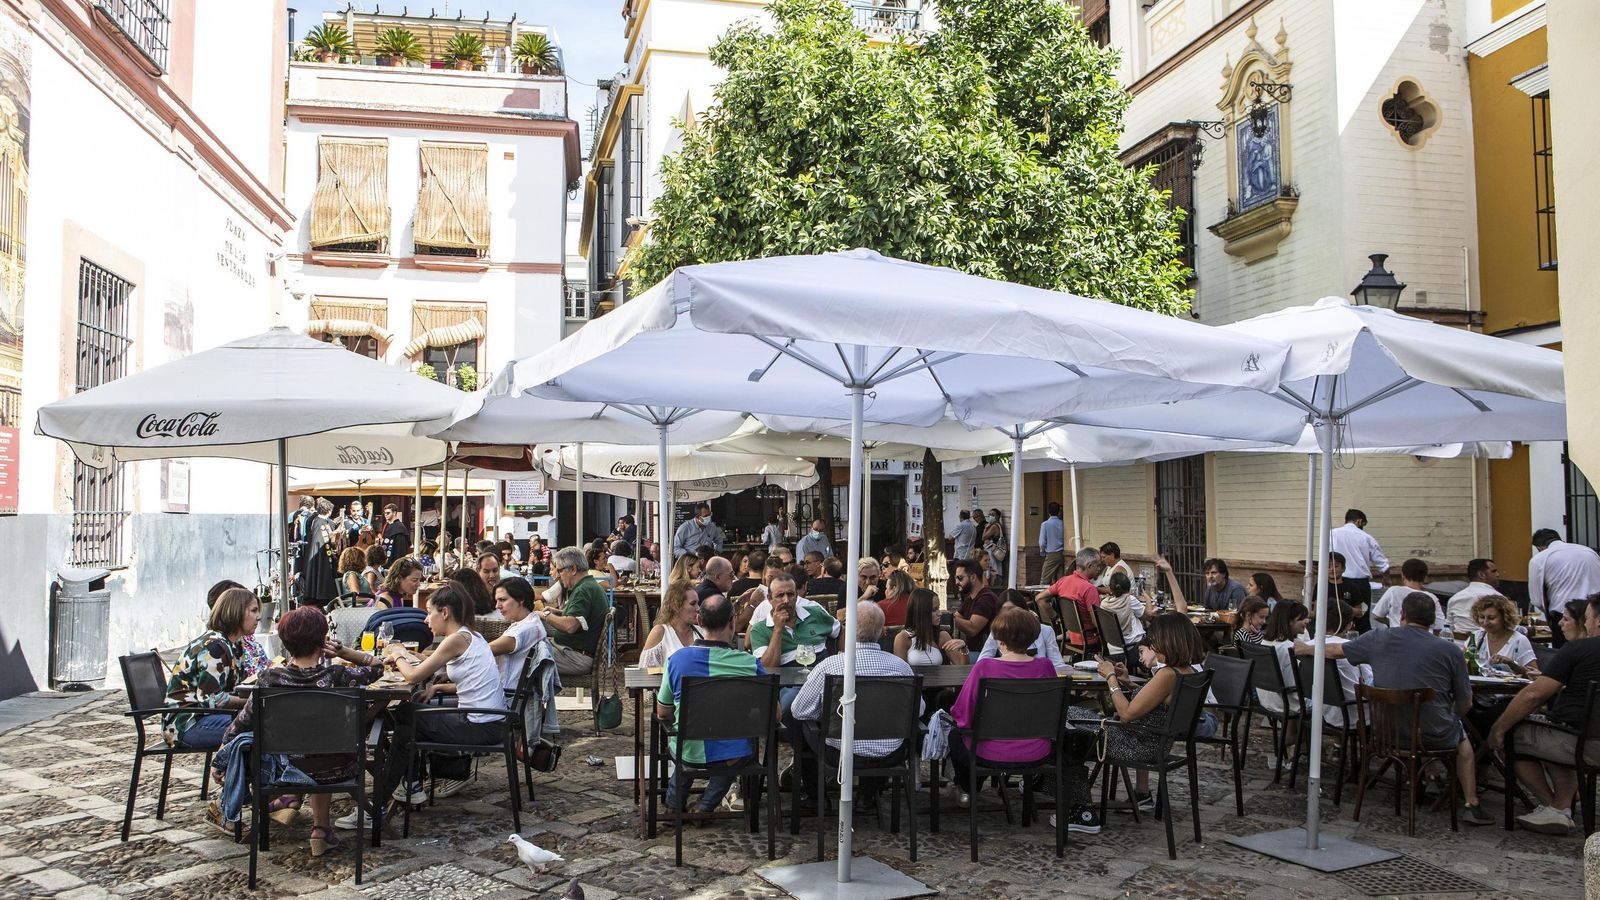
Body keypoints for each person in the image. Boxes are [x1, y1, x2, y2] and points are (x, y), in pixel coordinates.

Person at [1299, 591, 1494, 825]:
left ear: (1402, 615)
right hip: (1430, 733)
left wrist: (1305, 648)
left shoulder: (1378, 637)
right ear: (1433, 620)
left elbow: (1335, 650)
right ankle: (1471, 802)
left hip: (1383, 732)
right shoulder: (1451, 651)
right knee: (1461, 740)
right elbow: (1466, 702)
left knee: (1427, 720)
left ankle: (1429, 776)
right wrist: (1452, 716)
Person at [209, 606, 384, 846]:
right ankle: (321, 829)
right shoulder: (338, 676)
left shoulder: (270, 679)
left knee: (309, 751)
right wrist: (343, 650)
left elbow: (240, 724)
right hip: (337, 768)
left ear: (285, 642)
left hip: (283, 770)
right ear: (322, 641)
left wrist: (221, 758)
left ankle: (294, 805)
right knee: (323, 749)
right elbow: (377, 667)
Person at [361, 583, 506, 826]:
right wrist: (437, 687)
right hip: (489, 719)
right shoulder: (471, 636)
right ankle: (405, 787)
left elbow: (413, 677)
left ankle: (385, 799)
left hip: (480, 725)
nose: (427, 619)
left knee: (406, 714)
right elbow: (469, 682)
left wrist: (397, 652)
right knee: (407, 721)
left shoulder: (456, 640)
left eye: (430, 612)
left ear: (445, 612)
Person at [788, 602, 921, 807]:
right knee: (878, 725)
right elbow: (918, 710)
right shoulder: (900, 667)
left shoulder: (831, 665)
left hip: (840, 753)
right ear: (882, 632)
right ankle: (869, 795)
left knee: (802, 725)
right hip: (891, 754)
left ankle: (817, 797)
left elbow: (798, 710)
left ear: (847, 630)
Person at [1085, 612, 1219, 815]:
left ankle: (1075, 802)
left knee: (1069, 721)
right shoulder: (1187, 671)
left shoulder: (1167, 674)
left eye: (1155, 641)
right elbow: (1154, 702)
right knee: (1074, 718)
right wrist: (1128, 683)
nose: (1153, 647)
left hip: (1138, 745)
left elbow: (1127, 714)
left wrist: (1110, 678)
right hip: (1153, 743)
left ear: (1168, 641)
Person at [1489, 596, 1600, 833]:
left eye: (1588, 618)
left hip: (1584, 742)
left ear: (1598, 621)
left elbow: (1533, 696)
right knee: (1552, 728)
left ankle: (1555, 806)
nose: (1587, 623)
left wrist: (1498, 728)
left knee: (1514, 733)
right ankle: (1561, 805)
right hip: (1578, 737)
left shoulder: (1580, 649)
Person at [656, 593, 765, 813]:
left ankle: (672, 806)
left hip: (689, 749)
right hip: (732, 753)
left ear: (699, 621)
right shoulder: (749, 664)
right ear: (733, 622)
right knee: (734, 750)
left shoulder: (678, 660)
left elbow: (663, 711)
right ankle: (706, 806)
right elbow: (773, 714)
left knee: (685, 742)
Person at [947, 607, 1059, 809]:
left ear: (999, 639)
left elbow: (962, 712)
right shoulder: (1045, 666)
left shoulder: (985, 667)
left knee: (956, 736)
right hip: (1036, 749)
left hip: (990, 751)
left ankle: (966, 788)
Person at [163, 587, 260, 748]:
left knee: (264, 723)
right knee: (262, 730)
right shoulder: (214, 647)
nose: (259, 617)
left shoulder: (234, 644)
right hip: (185, 725)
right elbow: (212, 700)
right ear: (236, 612)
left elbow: (236, 687)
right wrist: (250, 702)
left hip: (207, 717)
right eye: (254, 610)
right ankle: (236, 772)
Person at [748, 572, 841, 674]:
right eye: (780, 595)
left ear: (797, 596)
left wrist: (842, 659)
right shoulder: (759, 629)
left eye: (790, 594)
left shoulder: (815, 613)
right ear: (769, 599)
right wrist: (778, 630)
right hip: (788, 685)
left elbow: (841, 631)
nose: (786, 600)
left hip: (823, 678)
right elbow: (768, 669)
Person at [541, 546, 610, 677]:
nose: (558, 577)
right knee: (532, 646)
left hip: (576, 657)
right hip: (578, 651)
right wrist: (556, 612)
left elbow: (570, 626)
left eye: (560, 571)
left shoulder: (583, 590)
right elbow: (581, 618)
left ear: (572, 569)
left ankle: (530, 696)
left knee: (526, 655)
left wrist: (546, 615)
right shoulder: (589, 585)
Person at [1529, 528, 1600, 649]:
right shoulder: (1589, 551)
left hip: (1564, 614)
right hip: (1594, 612)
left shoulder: (1540, 559)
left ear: (1539, 547)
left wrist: (1550, 618)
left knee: (1566, 655)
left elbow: (1536, 600)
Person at [1035, 548, 1102, 652]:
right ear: (1089, 566)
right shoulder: (1089, 589)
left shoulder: (1063, 581)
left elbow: (1039, 598)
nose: (1099, 569)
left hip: (1071, 634)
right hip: (1089, 639)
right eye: (1098, 565)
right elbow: (1096, 621)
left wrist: (1057, 618)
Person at [1328, 508, 1389, 619]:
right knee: (1362, 618)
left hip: (1337, 582)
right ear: (1359, 521)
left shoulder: (1332, 534)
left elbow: (1325, 556)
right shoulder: (1366, 537)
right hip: (1360, 584)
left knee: (1336, 617)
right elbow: (1383, 564)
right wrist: (1386, 578)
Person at [488, 576, 546, 692]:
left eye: (502, 600)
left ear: (521, 599)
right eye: (497, 600)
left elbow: (482, 652)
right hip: (498, 694)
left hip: (500, 700)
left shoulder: (524, 630)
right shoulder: (528, 623)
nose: (497, 606)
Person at [979, 591, 1065, 666]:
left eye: (1013, 610)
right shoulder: (997, 631)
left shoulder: (1045, 631)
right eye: (1004, 610)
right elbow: (983, 659)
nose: (1009, 614)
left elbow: (1057, 663)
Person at [1255, 601, 1309, 717]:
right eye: (1302, 618)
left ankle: (1292, 734)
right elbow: (1292, 684)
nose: (1307, 621)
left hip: (1267, 699)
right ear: (1289, 621)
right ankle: (1301, 734)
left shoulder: (1265, 642)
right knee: (1325, 702)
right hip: (1285, 702)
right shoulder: (1288, 648)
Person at [1372, 558, 1449, 636]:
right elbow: (1439, 626)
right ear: (1425, 578)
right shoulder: (1432, 598)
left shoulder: (1393, 591)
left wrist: (1392, 622)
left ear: (1403, 576)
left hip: (1397, 637)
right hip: (1424, 640)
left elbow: (1377, 615)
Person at [896, 588, 969, 667]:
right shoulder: (903, 638)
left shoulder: (942, 636)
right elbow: (901, 672)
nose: (940, 613)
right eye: (934, 610)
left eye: (939, 608)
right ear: (921, 612)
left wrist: (964, 648)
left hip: (938, 679)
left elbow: (962, 667)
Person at [1468, 593, 1537, 677]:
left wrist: (1512, 664)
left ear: (1505, 618)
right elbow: (1463, 661)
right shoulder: (1477, 636)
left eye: (1491, 618)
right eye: (1482, 617)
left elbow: (1535, 675)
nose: (1485, 622)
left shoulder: (1519, 640)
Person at [640, 581, 703, 669]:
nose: (698, 608)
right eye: (693, 604)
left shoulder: (701, 632)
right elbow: (646, 672)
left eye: (698, 603)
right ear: (676, 605)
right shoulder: (660, 633)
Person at [294, 498, 340, 608]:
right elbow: (323, 540)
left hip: (322, 555)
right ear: (329, 511)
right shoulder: (320, 522)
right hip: (321, 557)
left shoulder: (318, 521)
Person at [952, 557, 1002, 652]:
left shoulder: (986, 599)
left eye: (960, 578)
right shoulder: (971, 598)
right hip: (973, 650)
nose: (956, 582)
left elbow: (972, 628)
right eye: (956, 578)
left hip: (984, 654)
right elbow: (957, 616)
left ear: (973, 577)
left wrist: (951, 619)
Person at [1446, 558, 1503, 634]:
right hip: (1487, 644)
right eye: (1493, 571)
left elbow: (1448, 627)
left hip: (1459, 643)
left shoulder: (1454, 598)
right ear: (1481, 574)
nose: (1498, 575)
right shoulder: (1498, 598)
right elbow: (1508, 627)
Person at [1099, 571, 1147, 646]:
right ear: (1128, 587)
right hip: (1132, 643)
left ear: (1110, 589)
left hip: (1113, 644)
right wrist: (1147, 598)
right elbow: (1147, 616)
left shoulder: (1104, 603)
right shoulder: (1129, 600)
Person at [1324, 552, 1364, 630]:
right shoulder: (1321, 586)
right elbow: (1316, 611)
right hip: (1325, 628)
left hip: (1347, 627)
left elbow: (1360, 612)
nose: (1332, 569)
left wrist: (1343, 608)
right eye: (1328, 566)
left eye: (1336, 566)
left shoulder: (1352, 587)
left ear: (1343, 568)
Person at [1038, 502, 1066, 586]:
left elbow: (1042, 542)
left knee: (1044, 579)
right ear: (1059, 512)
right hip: (1062, 553)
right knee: (1060, 580)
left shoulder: (1045, 524)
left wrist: (1042, 551)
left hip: (1051, 554)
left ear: (1048, 512)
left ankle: (1040, 597)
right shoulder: (1062, 523)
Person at [982, 508, 1007, 584]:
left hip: (993, 550)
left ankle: (995, 583)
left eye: (993, 515)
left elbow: (983, 537)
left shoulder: (994, 526)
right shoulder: (997, 525)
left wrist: (985, 529)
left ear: (997, 516)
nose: (990, 516)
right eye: (989, 515)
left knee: (993, 567)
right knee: (995, 567)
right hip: (994, 550)